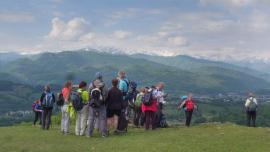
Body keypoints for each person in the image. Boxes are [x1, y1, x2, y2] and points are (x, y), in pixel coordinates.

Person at [87, 72, 108, 138]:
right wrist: (103, 100)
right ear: (101, 77)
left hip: (92, 105)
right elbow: (106, 95)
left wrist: (90, 101)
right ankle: (103, 133)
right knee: (102, 119)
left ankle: (89, 134)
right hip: (101, 104)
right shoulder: (104, 85)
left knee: (91, 119)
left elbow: (89, 95)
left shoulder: (91, 85)